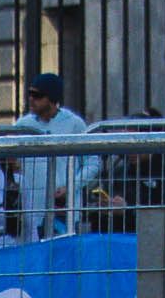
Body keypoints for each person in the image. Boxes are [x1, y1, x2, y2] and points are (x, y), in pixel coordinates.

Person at [15, 69, 97, 240]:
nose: (31, 99)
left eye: (37, 96)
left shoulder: (74, 124)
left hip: (65, 210)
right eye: (30, 94)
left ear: (52, 99)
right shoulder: (22, 125)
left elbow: (92, 163)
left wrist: (71, 186)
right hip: (31, 211)